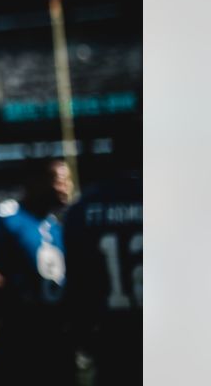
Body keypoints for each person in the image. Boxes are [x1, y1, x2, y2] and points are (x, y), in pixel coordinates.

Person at [0, 159, 75, 386]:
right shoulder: (6, 216)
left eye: (68, 181)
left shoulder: (54, 225)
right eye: (59, 180)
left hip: (57, 335)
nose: (66, 187)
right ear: (35, 182)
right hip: (18, 336)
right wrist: (9, 293)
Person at [64, 136, 141, 386]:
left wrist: (83, 336)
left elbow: (77, 285)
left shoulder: (83, 208)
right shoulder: (173, 199)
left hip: (112, 340)